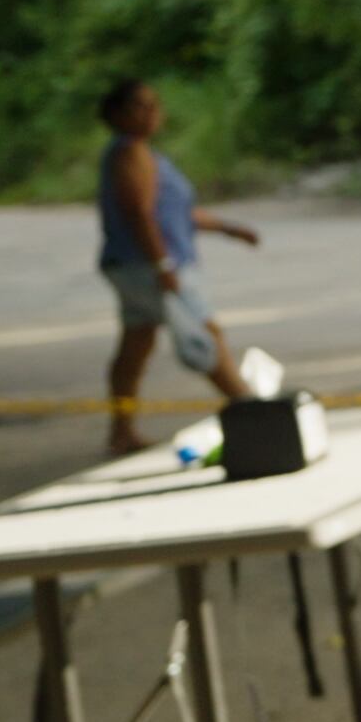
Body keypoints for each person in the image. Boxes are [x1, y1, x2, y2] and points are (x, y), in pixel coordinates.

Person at [94, 79, 260, 454]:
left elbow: (176, 213)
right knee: (204, 333)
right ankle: (253, 411)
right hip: (149, 266)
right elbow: (140, 213)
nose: (152, 113)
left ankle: (121, 431)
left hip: (135, 265)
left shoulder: (142, 154)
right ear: (118, 114)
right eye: (140, 106)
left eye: (154, 104)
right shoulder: (130, 153)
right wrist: (162, 263)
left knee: (136, 344)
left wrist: (228, 228)